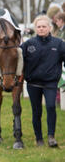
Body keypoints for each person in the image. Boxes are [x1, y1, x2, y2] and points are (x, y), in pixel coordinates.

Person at [21, 15, 65, 147]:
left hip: (50, 83)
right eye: (38, 27)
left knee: (51, 107)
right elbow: (18, 61)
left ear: (49, 28)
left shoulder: (59, 44)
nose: (41, 29)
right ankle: (39, 138)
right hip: (33, 83)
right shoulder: (28, 44)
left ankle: (51, 136)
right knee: (36, 111)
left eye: (44, 26)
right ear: (35, 28)